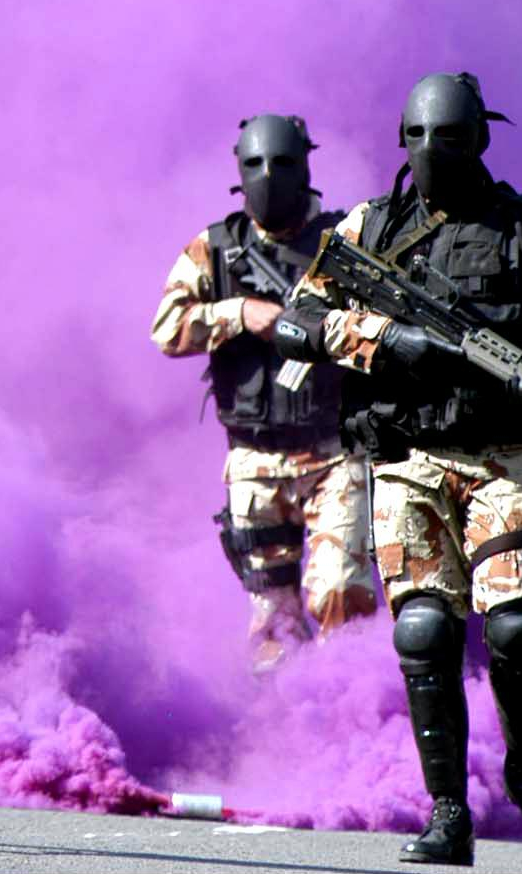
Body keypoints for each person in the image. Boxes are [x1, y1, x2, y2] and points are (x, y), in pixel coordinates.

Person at [281, 73, 522, 866]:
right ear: (402, 139)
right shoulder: (370, 227)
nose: (433, 153)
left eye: (450, 137)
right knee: (425, 628)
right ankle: (446, 814)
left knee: (517, 624)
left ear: (480, 140)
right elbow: (300, 321)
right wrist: (383, 342)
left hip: (502, 462)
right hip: (407, 456)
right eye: (420, 138)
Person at [151, 114, 376, 670]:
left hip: (334, 454)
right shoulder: (217, 250)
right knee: (272, 629)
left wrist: (333, 331)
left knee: (340, 598)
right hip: (254, 462)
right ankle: (286, 738)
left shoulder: (341, 243)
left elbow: (386, 328)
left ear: (306, 167)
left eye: (282, 164)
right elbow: (166, 329)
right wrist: (241, 314)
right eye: (255, 165)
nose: (269, 177)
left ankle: (353, 725)